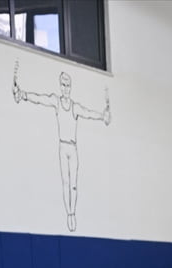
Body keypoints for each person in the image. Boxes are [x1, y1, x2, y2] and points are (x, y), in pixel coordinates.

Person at [13, 62, 110, 232]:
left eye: (68, 86)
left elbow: (88, 113)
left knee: (73, 184)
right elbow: (40, 98)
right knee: (66, 183)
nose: (66, 88)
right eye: (63, 85)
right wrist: (23, 95)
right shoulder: (56, 101)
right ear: (60, 86)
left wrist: (102, 116)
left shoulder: (74, 107)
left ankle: (73, 211)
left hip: (73, 148)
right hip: (62, 147)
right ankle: (69, 214)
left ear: (70, 87)